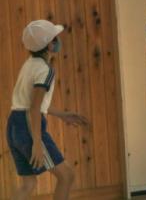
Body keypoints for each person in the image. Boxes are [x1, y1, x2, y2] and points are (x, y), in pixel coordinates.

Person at [6, 19, 90, 200]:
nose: (58, 40)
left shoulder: (29, 64)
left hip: (13, 124)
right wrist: (37, 142)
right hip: (28, 127)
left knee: (29, 184)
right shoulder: (46, 70)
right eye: (55, 38)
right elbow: (34, 108)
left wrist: (62, 114)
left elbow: (31, 103)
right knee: (66, 175)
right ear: (49, 45)